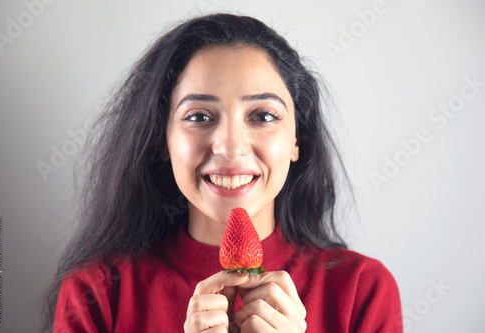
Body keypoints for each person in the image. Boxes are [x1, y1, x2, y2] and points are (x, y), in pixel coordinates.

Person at [45, 13, 403, 332]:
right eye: (199, 116)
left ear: (297, 140)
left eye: (263, 116)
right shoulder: (97, 295)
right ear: (161, 141)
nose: (230, 148)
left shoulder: (362, 291)